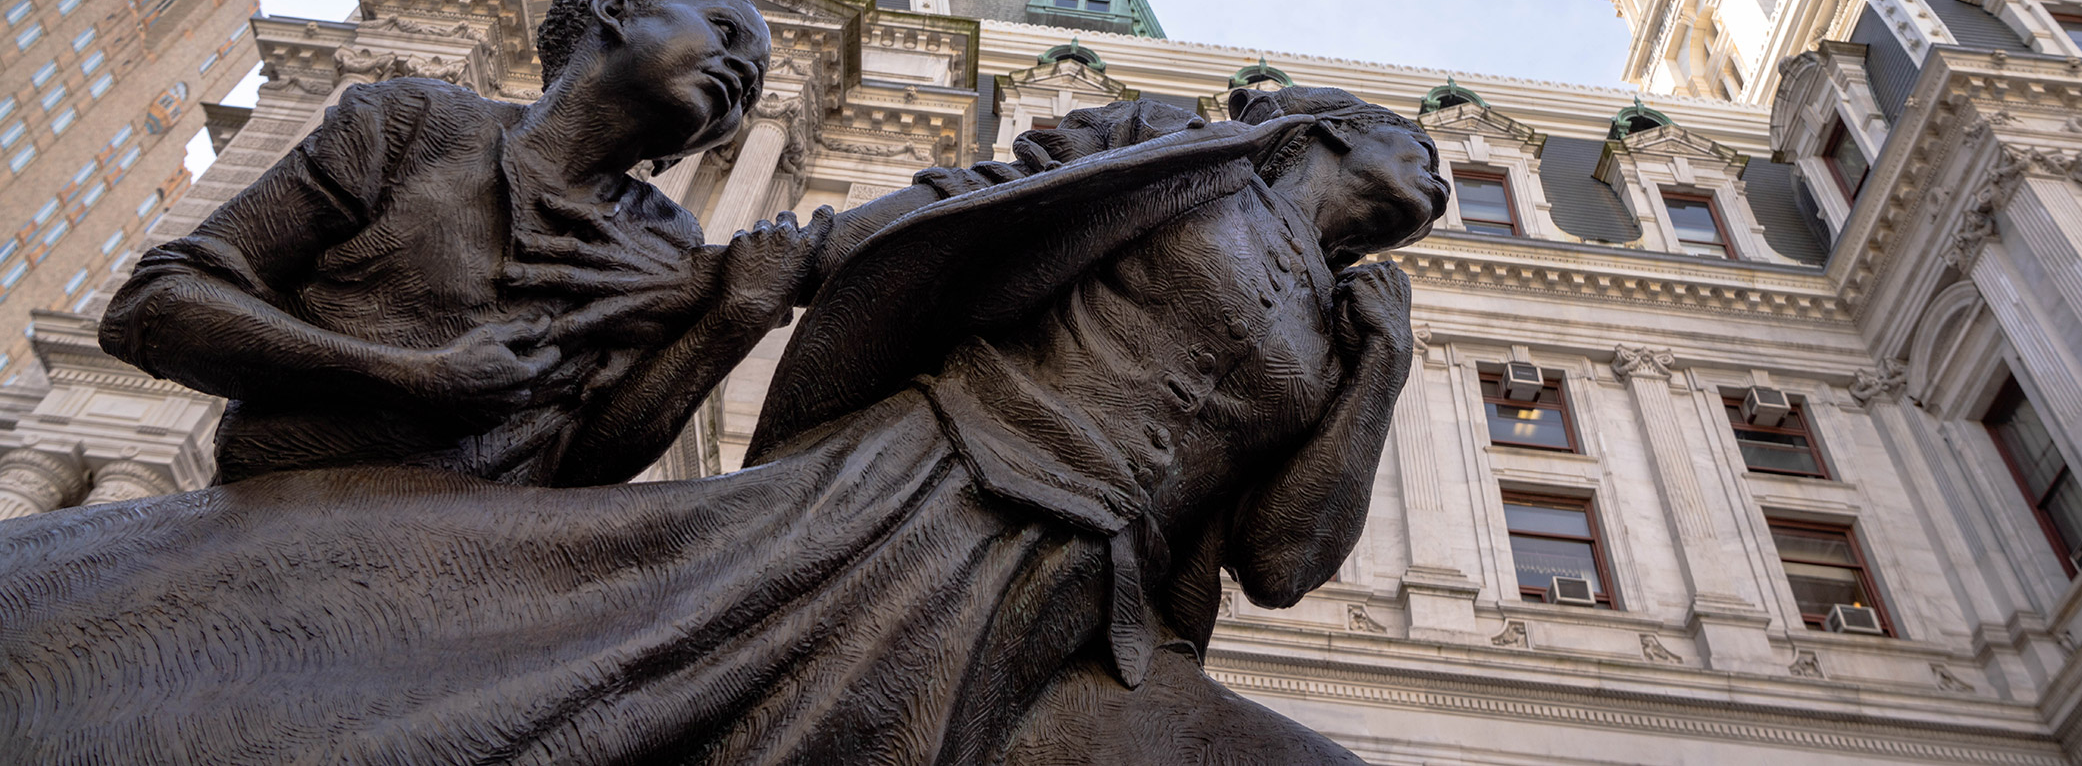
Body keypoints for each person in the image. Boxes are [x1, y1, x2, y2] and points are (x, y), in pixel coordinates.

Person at [0, 86, 1445, 765]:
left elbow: (1283, 565)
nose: (1436, 181)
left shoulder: (1341, 333)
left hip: (1094, 610)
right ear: (1318, 129)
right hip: (918, 497)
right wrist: (739, 295)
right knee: (575, 682)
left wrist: (1374, 377)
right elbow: (943, 227)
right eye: (1418, 145)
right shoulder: (1176, 163)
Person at [101, 0, 866, 487]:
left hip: (468, 554)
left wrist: (733, 318)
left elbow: (581, 465)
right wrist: (411, 376)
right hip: (277, 503)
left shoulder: (667, 243)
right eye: (726, 35)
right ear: (614, 12)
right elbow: (153, 308)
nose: (741, 76)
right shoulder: (411, 120)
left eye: (756, 86)